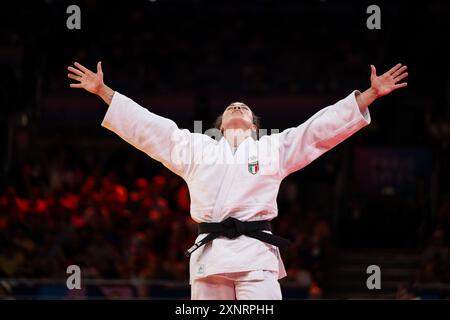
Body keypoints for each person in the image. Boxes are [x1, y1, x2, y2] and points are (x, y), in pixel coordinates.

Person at [67, 61, 408, 299]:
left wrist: (368, 95)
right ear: (218, 124)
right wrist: (103, 92)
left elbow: (316, 132)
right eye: (231, 106)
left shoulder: (272, 148)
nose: (236, 106)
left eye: (243, 107)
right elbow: (149, 129)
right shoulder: (196, 147)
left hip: (255, 256)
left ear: (254, 126)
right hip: (210, 258)